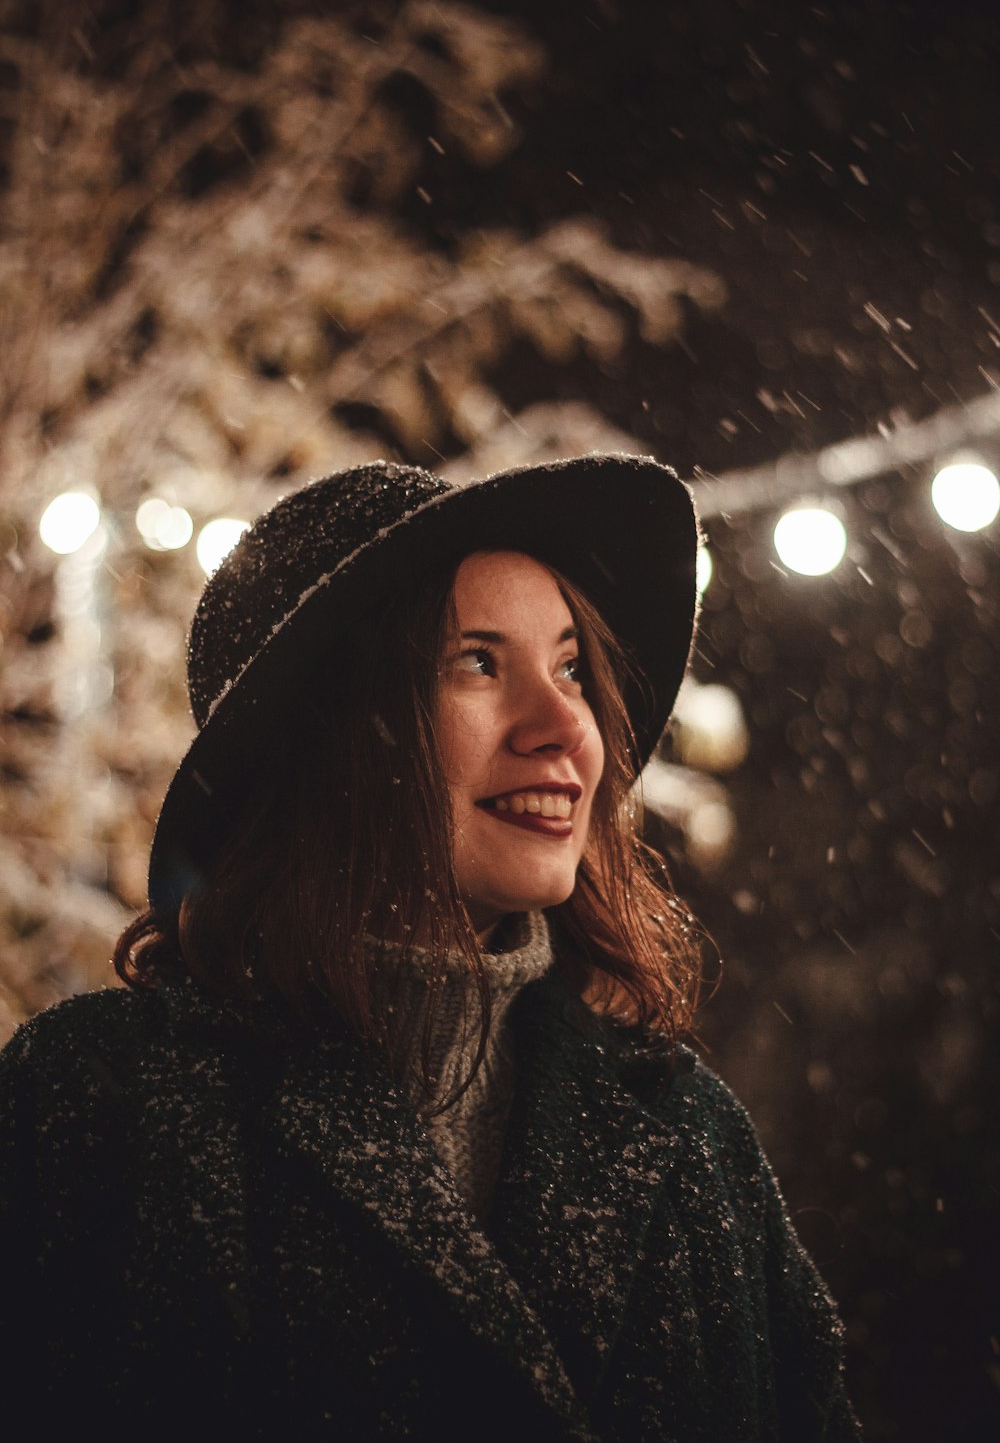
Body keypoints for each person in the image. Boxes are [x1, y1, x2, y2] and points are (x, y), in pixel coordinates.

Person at [0, 456, 860, 1440]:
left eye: (570, 666)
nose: (563, 729)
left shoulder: (688, 1137)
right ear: (328, 735)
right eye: (478, 663)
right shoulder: (95, 1104)